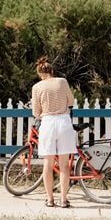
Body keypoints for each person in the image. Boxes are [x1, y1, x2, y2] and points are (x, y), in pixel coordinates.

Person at [31, 56, 76, 208]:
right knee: (64, 165)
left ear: (40, 73)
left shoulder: (37, 87)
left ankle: (50, 199)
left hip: (48, 123)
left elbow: (36, 112)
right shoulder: (62, 82)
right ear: (52, 71)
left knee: (47, 164)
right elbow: (71, 101)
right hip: (63, 121)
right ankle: (63, 199)